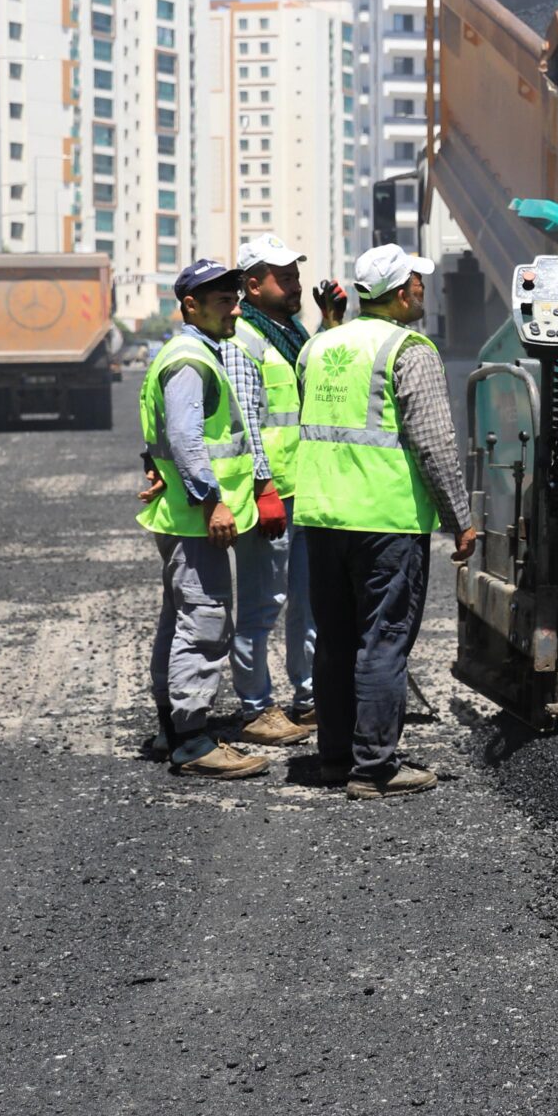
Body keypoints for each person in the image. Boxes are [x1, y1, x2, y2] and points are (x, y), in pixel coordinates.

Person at [291, 245, 478, 799]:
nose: (424, 288)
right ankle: (374, 768)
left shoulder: (319, 347)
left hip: (323, 518)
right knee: (383, 642)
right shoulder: (410, 349)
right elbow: (435, 443)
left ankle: (334, 757)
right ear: (401, 294)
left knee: (334, 641)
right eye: (418, 281)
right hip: (385, 520)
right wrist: (459, 519)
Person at [139, 259, 277, 779]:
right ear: (190, 305)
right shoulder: (190, 361)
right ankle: (193, 743)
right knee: (205, 623)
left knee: (180, 620)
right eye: (224, 301)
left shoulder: (192, 353)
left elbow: (161, 438)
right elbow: (185, 439)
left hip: (185, 515)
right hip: (196, 518)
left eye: (236, 298)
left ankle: (173, 730)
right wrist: (212, 501)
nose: (236, 308)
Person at [224, 233, 319, 746]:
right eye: (283, 277)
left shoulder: (293, 333)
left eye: (294, 275)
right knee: (263, 603)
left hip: (304, 490)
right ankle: (256, 705)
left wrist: (331, 324)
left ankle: (306, 698)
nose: (294, 284)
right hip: (271, 493)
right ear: (253, 285)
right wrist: (262, 487)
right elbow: (247, 420)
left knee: (308, 602)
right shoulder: (244, 339)